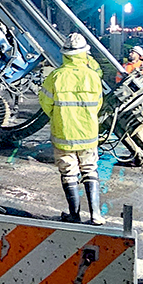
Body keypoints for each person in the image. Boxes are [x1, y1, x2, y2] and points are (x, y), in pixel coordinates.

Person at [39, 33, 105, 224]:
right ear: (85, 53)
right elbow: (98, 104)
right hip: (88, 134)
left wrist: (59, 116)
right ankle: (96, 215)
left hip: (64, 133)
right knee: (90, 169)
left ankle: (74, 215)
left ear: (65, 54)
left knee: (69, 172)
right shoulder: (93, 77)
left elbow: (45, 103)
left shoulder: (56, 77)